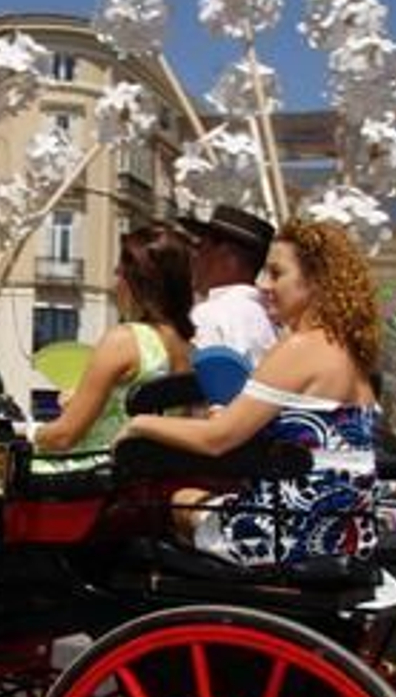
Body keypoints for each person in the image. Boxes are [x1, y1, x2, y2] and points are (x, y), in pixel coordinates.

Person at [121, 220, 380, 567]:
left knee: (177, 500)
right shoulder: (350, 352)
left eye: (276, 274)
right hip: (346, 533)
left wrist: (140, 425)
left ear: (317, 281)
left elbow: (217, 439)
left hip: (286, 535)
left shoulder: (299, 348)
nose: (263, 285)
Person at [31, 225, 193, 466]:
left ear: (137, 282)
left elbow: (63, 437)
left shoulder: (124, 341)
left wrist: (28, 431)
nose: (114, 284)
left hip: (91, 480)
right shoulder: (189, 348)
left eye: (119, 274)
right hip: (144, 481)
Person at [179, 205, 279, 369]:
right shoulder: (271, 320)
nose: (194, 257)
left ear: (226, 256)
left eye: (201, 247)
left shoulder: (208, 315)